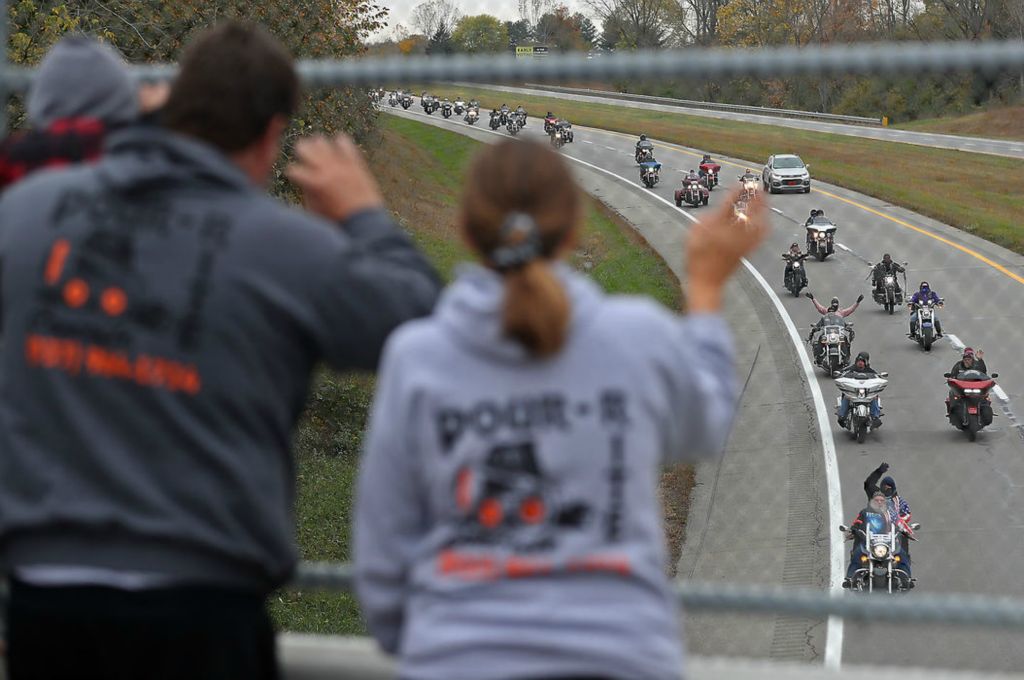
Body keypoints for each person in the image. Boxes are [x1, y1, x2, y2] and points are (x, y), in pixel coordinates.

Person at [0, 21, 441, 679]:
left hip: (44, 599)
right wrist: (364, 215)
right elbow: (419, 322)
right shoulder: (284, 247)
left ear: (168, 106)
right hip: (203, 602)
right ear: (270, 135)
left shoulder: (27, 211)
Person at [353, 141, 769, 680]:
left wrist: (436, 642)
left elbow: (383, 562)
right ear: (573, 231)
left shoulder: (417, 359)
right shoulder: (636, 336)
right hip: (620, 657)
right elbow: (706, 426)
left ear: (465, 229)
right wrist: (707, 287)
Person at [0, 35, 168, 191]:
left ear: (43, 98)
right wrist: (155, 118)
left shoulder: (12, 159)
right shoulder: (142, 154)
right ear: (119, 98)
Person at [843, 491, 910, 588]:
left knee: (902, 556)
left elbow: (899, 523)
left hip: (888, 543)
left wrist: (903, 530)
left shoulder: (891, 513)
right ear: (872, 501)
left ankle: (907, 579)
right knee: (857, 556)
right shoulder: (865, 512)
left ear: (885, 502)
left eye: (881, 500)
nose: (879, 502)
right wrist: (855, 529)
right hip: (868, 543)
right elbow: (857, 522)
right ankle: (849, 579)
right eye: (877, 500)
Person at [863, 462, 914, 583]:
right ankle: (853, 576)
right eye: (884, 487)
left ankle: (905, 578)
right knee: (858, 552)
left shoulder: (900, 502)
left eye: (889, 488)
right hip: (872, 533)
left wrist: (900, 526)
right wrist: (878, 472)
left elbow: (906, 516)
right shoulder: (875, 495)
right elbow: (868, 484)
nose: (886, 490)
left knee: (902, 554)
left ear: (894, 488)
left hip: (892, 535)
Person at [836, 351, 883, 429]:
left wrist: (879, 379)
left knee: (874, 397)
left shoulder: (870, 371)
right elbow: (842, 373)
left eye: (862, 361)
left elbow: (877, 377)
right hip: (853, 393)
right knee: (846, 397)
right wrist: (839, 374)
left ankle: (875, 418)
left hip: (866, 393)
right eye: (859, 361)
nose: (860, 363)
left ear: (866, 362)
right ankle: (842, 416)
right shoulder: (851, 369)